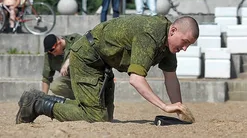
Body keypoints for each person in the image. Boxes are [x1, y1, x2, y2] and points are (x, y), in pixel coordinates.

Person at [16, 15, 200, 123]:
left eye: (189, 45)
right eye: (185, 42)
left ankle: (40, 99)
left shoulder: (169, 44)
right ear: (174, 30)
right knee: (95, 116)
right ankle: (37, 104)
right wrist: (164, 106)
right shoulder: (151, 35)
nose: (184, 48)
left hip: (103, 63)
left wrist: (178, 111)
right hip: (87, 57)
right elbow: (136, 79)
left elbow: (170, 77)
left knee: (104, 116)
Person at [41, 33, 82, 100]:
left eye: (54, 51)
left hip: (85, 75)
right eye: (51, 53)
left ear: (59, 42)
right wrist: (43, 99)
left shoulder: (75, 39)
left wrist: (68, 61)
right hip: (71, 79)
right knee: (55, 86)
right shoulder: (49, 54)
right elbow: (46, 78)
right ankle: (78, 99)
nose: (53, 55)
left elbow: (85, 49)